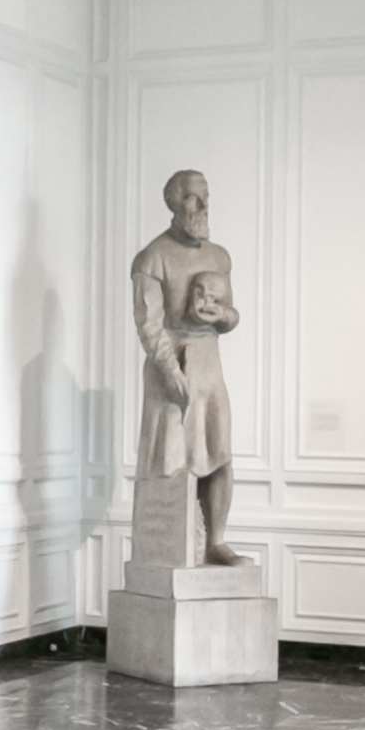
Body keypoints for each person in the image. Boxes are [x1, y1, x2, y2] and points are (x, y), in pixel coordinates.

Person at [130, 169, 251, 567]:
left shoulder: (219, 257)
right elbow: (149, 324)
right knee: (173, 459)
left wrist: (221, 315)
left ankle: (215, 541)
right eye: (192, 199)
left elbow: (231, 317)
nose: (202, 206)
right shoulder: (152, 258)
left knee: (219, 452)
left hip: (209, 364)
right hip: (172, 365)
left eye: (205, 197)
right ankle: (172, 547)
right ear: (173, 204)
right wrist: (169, 370)